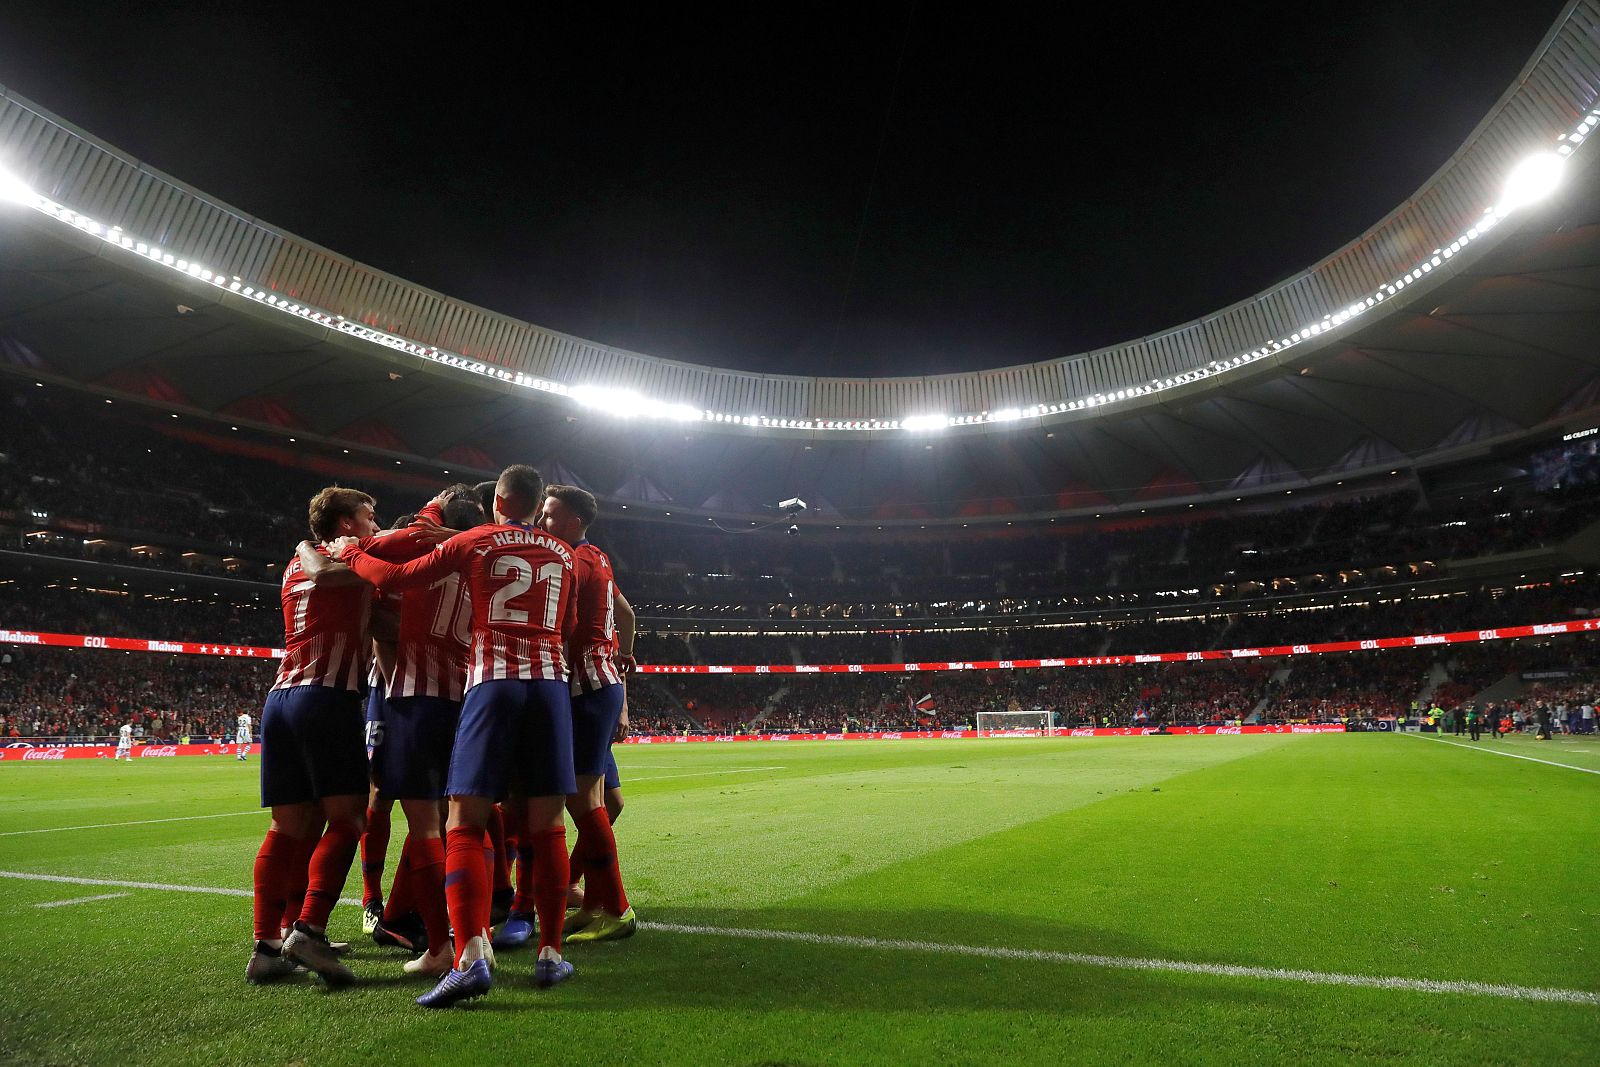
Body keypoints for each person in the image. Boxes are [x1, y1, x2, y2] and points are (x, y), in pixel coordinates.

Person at [336, 465, 579, 1008]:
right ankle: (550, 953)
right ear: (538, 506)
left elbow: (392, 578)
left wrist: (351, 554)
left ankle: (469, 957)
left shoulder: (475, 540)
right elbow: (565, 623)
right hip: (550, 684)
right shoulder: (564, 554)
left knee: (463, 820)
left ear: (499, 499)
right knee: (547, 824)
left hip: (492, 682)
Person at [246, 487, 382, 987]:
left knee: (291, 827)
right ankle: (308, 930)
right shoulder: (346, 560)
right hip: (326, 698)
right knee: (348, 819)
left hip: (281, 700)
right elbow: (377, 571)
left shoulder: (294, 564)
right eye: (369, 517)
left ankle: (267, 944)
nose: (374, 524)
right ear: (345, 524)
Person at [506, 485, 637, 946]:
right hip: (601, 685)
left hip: (581, 688)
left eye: (551, 514)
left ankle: (616, 909)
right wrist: (625, 658)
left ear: (575, 521)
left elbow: (559, 625)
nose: (542, 522)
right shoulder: (597, 556)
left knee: (583, 804)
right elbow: (626, 612)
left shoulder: (572, 562)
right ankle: (592, 900)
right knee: (601, 802)